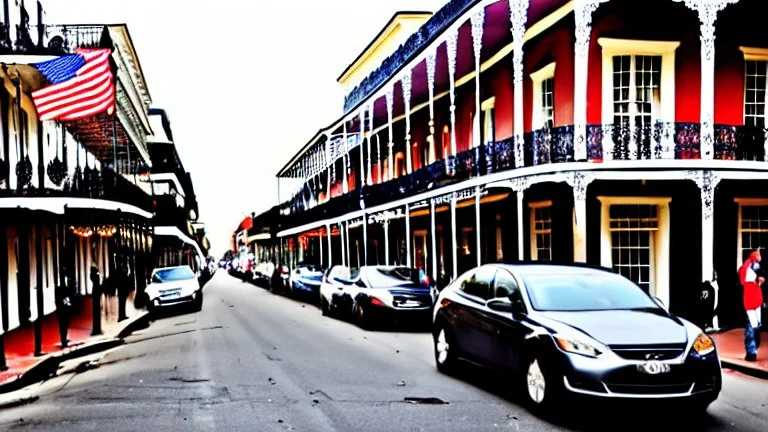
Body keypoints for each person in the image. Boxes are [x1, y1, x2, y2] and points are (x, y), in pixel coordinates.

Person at [738, 249, 764, 362]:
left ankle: (752, 350)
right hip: (751, 302)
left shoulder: (750, 270)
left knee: (755, 326)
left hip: (755, 301)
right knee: (752, 327)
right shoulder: (747, 268)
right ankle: (751, 351)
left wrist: (759, 281)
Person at [55, 265, 77, 348]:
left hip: (68, 304)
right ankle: (63, 340)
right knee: (62, 323)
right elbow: (58, 293)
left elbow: (72, 290)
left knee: (66, 322)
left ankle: (65, 338)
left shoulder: (69, 280)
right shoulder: (59, 283)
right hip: (62, 305)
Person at [90, 264, 102, 335]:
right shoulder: (95, 276)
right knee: (96, 311)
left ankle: (97, 328)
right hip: (96, 292)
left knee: (96, 311)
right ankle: (97, 328)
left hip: (95, 292)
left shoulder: (93, 275)